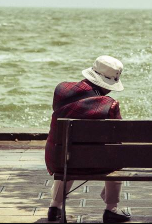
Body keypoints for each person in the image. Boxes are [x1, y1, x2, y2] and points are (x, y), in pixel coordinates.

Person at [44, 55, 131, 223]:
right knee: (117, 152)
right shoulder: (109, 105)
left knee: (69, 152)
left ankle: (55, 206)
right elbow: (118, 135)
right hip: (92, 164)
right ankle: (111, 208)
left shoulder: (61, 90)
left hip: (59, 159)